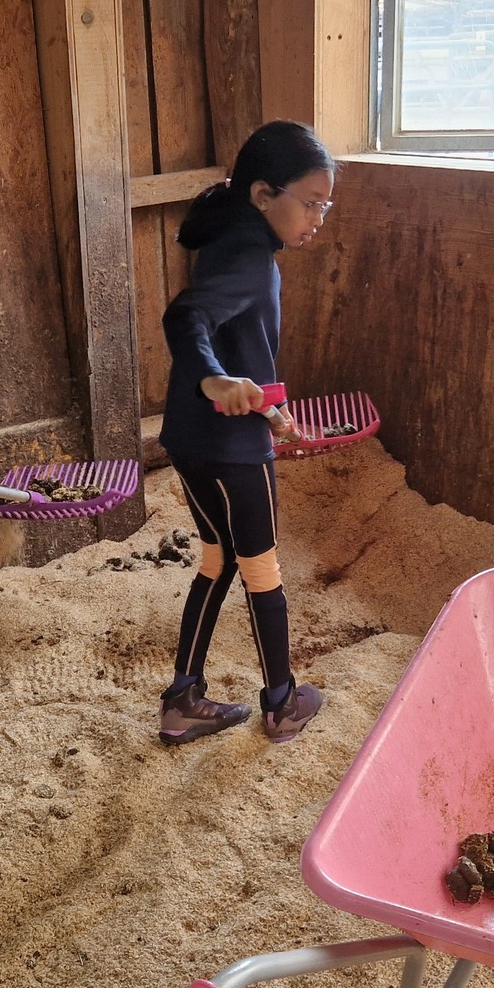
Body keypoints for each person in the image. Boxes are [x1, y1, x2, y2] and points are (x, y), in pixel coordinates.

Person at [156, 120, 337, 746]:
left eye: (325, 206)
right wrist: (212, 380)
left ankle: (183, 699)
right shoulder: (253, 259)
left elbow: (237, 347)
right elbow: (186, 317)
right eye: (311, 203)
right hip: (232, 449)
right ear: (264, 195)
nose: (318, 218)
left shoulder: (227, 239)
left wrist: (271, 410)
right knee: (261, 568)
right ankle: (282, 704)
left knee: (218, 557)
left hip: (188, 439)